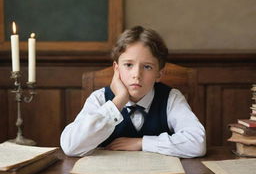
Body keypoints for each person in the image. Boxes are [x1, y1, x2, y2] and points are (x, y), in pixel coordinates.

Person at [60, 26, 206, 158]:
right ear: (116, 69)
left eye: (147, 67)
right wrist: (119, 101)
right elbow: (71, 146)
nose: (137, 74)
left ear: (159, 74)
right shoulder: (99, 98)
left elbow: (197, 143)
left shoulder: (171, 98)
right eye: (128, 65)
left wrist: (142, 143)